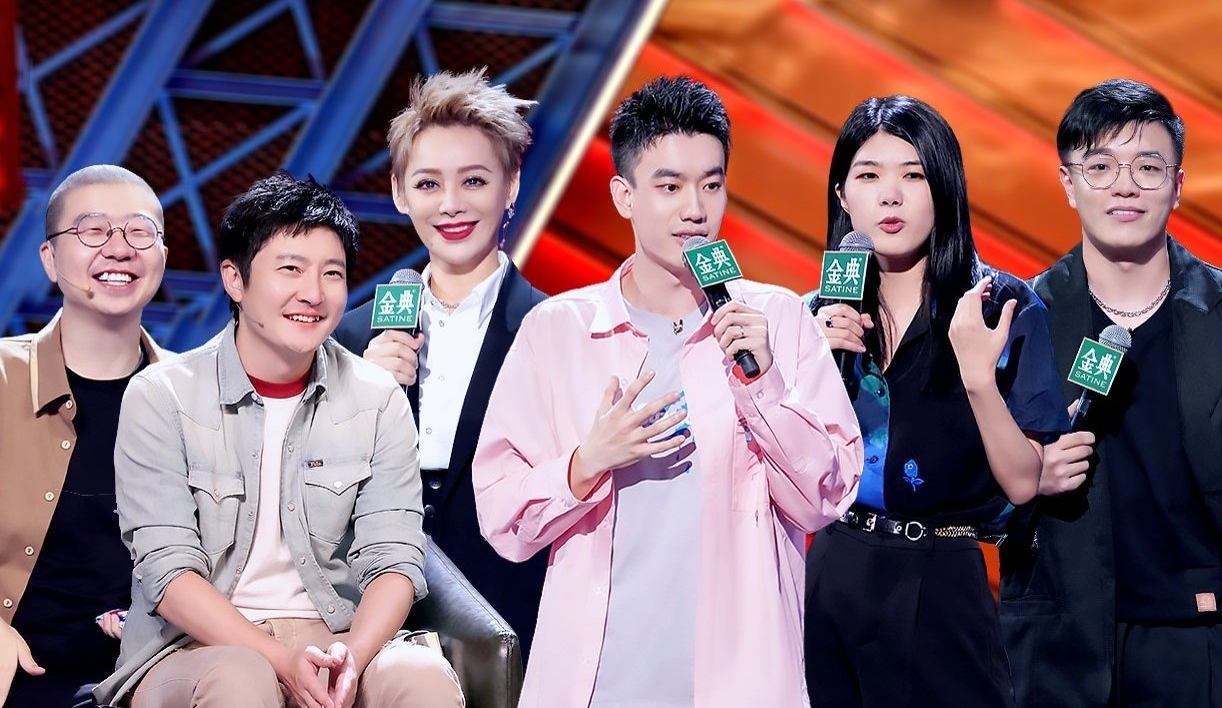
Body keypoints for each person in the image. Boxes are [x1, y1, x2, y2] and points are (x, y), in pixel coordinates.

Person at [471, 75, 862, 708]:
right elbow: (502, 517)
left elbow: (825, 496)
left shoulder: (778, 320)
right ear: (623, 196)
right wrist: (585, 462)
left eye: (711, 184)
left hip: (739, 683)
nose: (695, 209)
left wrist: (762, 384)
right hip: (597, 682)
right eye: (670, 186)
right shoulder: (559, 330)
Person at [93, 173, 463, 708]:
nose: (312, 293)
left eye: (332, 273)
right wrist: (282, 660)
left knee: (420, 675)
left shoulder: (378, 397)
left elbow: (395, 557)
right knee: (241, 676)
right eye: (290, 269)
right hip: (196, 645)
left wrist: (352, 658)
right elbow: (167, 573)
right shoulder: (162, 394)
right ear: (235, 280)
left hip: (336, 633)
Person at [999, 79, 1222, 707]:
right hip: (1059, 657)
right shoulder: (1019, 316)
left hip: (1211, 652)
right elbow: (973, 497)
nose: (1124, 185)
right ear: (1068, 183)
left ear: (1178, 185)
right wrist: (1028, 475)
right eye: (1100, 166)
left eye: (1147, 167)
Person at [804, 96, 1068, 708]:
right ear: (843, 196)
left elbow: (1024, 481)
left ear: (944, 189)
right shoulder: (816, 313)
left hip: (940, 573)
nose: (890, 196)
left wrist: (978, 377)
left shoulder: (1001, 306)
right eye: (869, 176)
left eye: (914, 175)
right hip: (833, 564)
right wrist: (808, 366)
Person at [334, 68, 548, 656]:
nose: (451, 204)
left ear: (511, 186)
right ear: (399, 192)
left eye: (474, 180)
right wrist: (360, 401)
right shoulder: (351, 336)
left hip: (514, 607)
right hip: (371, 614)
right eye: (428, 184)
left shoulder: (554, 330)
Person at [0, 164, 169, 707]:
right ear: (50, 258)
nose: (119, 249)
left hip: (146, 677)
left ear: (162, 256)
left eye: (139, 231)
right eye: (92, 230)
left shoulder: (197, 399)